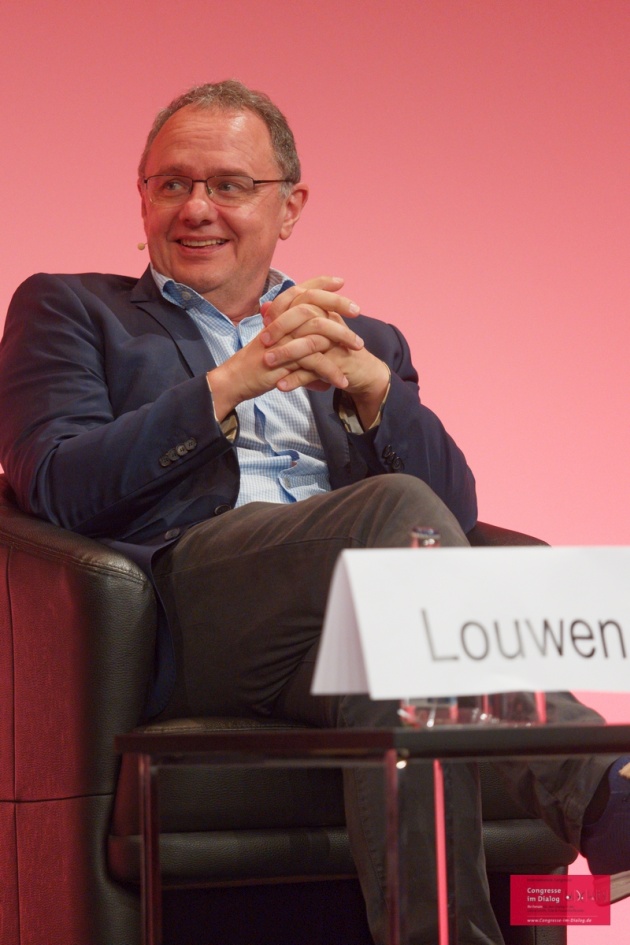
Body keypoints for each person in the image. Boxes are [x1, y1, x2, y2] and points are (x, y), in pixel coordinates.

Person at [0, 79, 627, 944]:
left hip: (343, 632)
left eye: (228, 184)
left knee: (401, 678)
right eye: (172, 183)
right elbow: (56, 481)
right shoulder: (72, 309)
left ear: (289, 207)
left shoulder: (366, 338)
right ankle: (602, 788)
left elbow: (453, 519)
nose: (196, 208)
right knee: (391, 517)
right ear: (142, 198)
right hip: (186, 614)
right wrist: (231, 382)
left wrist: (376, 393)